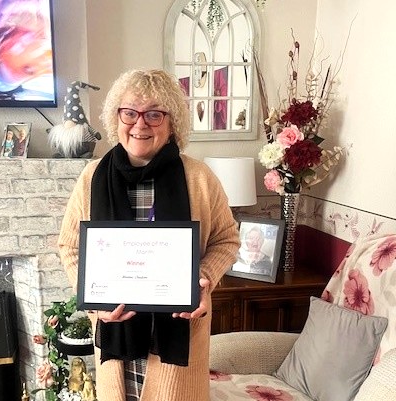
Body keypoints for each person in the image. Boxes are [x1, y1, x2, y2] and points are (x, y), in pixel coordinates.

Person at [58, 69, 240, 401]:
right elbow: (70, 246)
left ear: (172, 123)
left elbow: (227, 239)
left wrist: (202, 278)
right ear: (117, 117)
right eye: (129, 112)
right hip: (117, 331)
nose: (140, 124)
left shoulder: (198, 177)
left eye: (154, 114)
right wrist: (93, 299)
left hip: (176, 331)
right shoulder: (91, 177)